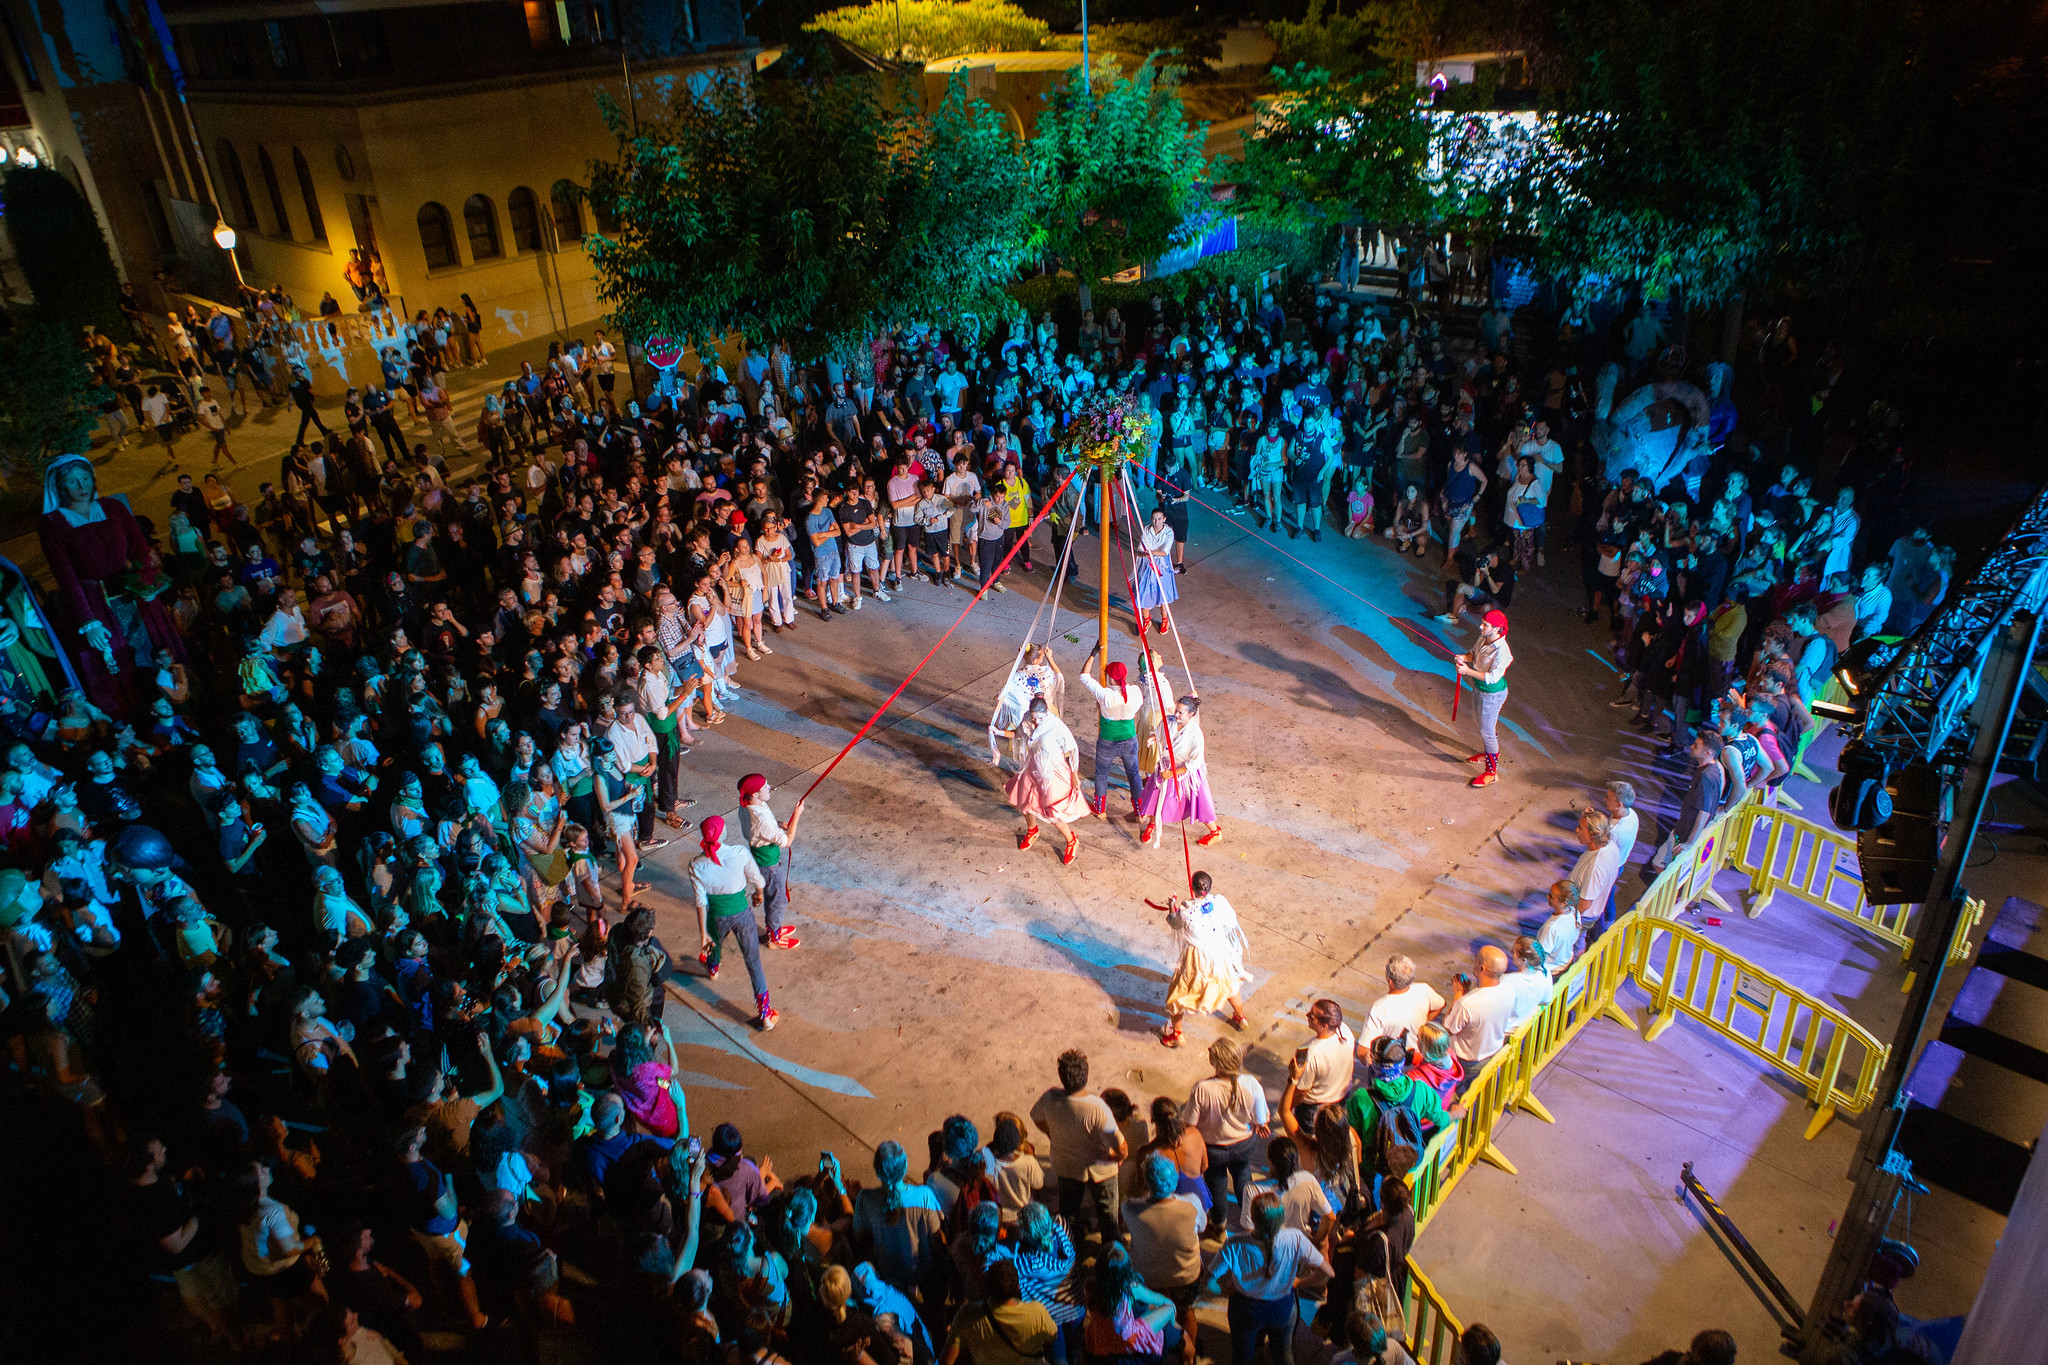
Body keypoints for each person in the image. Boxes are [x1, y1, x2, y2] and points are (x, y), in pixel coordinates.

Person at [1200, 1190, 1329, 1365]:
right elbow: (1328, 1273)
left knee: (1242, 1357)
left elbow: (1208, 1282)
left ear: (1252, 1219)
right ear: (1281, 1218)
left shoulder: (1235, 1243)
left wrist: (1227, 1288)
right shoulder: (1295, 1238)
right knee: (1283, 1354)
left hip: (1245, 1308)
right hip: (1282, 1306)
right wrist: (1301, 1282)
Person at [1029, 1048, 1127, 1244]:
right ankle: (1112, 1253)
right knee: (1108, 1217)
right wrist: (1118, 1158)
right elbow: (1122, 1148)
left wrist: (1052, 1135)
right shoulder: (1098, 1108)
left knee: (1069, 1213)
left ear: (1061, 1077)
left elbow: (1036, 1117)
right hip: (1101, 1170)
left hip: (1067, 1166)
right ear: (1086, 1076)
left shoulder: (1050, 1099)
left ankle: (1071, 1248)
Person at [689, 815, 778, 1031]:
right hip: (742, 914)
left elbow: (700, 901)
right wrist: (758, 895)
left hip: (716, 915)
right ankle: (765, 1013)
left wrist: (703, 934)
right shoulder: (739, 853)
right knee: (753, 962)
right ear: (721, 833)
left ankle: (713, 968)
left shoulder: (696, 865)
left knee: (715, 943)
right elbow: (758, 879)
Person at [1180, 1038, 1268, 1234]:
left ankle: (1219, 1224)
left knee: (1217, 1186)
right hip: (1244, 1145)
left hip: (1213, 1150)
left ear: (1215, 1063)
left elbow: (1190, 1123)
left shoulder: (1202, 1089)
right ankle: (1252, 1219)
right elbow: (1261, 1119)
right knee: (1244, 1179)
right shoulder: (1252, 1084)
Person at [1156, 871, 1253, 1046]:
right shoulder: (1219, 902)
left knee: (1179, 995)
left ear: (1192, 887)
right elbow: (1229, 920)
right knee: (1229, 985)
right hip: (1219, 951)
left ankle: (1175, 1035)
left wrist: (1172, 906)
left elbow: (1174, 922)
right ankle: (1241, 1017)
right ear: (1209, 888)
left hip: (1197, 958)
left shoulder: (1186, 910)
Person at [1004, 696, 1089, 865]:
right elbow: (1016, 733)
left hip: (1053, 771)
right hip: (1033, 767)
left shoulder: (1056, 726)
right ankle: (1032, 829)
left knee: (1053, 810)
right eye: (1033, 717)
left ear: (1046, 713)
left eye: (1039, 718)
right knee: (1025, 800)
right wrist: (996, 731)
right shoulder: (1028, 720)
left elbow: (1072, 750)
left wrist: (1074, 774)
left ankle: (1071, 840)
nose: (1035, 721)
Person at [1138, 693, 1223, 848]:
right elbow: (1158, 733)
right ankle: (1152, 825)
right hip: (1165, 768)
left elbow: (1195, 762)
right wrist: (1153, 738)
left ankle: (1215, 831)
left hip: (1184, 774)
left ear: (1191, 714)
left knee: (1198, 804)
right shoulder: (1168, 721)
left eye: (1180, 712)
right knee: (1156, 799)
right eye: (1176, 710)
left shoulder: (1196, 734)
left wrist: (1172, 773)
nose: (1175, 714)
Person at [940, 1260, 1055, 1365]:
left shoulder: (967, 1314)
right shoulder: (1036, 1311)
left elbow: (947, 1360)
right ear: (1017, 1287)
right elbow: (1052, 1336)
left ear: (986, 1286)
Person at [1077, 647, 1148, 818]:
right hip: (1129, 738)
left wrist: (1092, 654)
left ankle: (1100, 809)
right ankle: (1140, 811)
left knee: (1101, 773)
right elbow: (1136, 708)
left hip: (1108, 740)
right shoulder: (1135, 692)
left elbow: (1084, 676)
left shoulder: (1105, 695)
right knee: (1133, 774)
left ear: (1109, 677)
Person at [737, 773, 804, 950]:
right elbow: (787, 841)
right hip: (769, 864)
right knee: (778, 900)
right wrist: (797, 815)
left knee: (772, 896)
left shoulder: (749, 806)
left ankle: (773, 928)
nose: (769, 787)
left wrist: (780, 824)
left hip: (760, 857)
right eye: (765, 786)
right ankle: (774, 937)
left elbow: (765, 824)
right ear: (755, 794)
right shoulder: (761, 819)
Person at [1453, 609, 1514, 788]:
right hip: (1479, 690)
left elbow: (1493, 678)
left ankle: (1491, 773)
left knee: (1486, 732)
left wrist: (1467, 671)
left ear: (1496, 629)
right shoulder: (1483, 637)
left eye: (1485, 625)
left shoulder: (1503, 652)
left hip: (1492, 695)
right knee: (1485, 729)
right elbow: (1474, 654)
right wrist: (1464, 658)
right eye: (1482, 622)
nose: (1480, 626)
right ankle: (1490, 752)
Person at [1440, 946, 1518, 1076]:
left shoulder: (1466, 1003)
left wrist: (1458, 994)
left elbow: (1446, 1030)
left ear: (1482, 968)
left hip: (1467, 1062)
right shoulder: (1510, 990)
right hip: (1495, 1051)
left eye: (1476, 960)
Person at [1135, 507, 1179, 634]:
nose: (1157, 522)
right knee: (1143, 591)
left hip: (1162, 566)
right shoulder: (1147, 530)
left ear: (1164, 519)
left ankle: (1165, 619)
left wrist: (1150, 552)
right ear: (1151, 519)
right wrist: (1147, 554)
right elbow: (1140, 549)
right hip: (1147, 565)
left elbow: (1164, 552)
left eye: (1159, 519)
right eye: (1154, 519)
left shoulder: (1169, 532)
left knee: (1162, 593)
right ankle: (1146, 618)